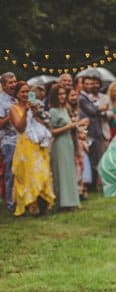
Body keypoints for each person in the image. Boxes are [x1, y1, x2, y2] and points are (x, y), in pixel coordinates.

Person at [9, 81, 56, 216]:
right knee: (29, 175)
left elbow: (45, 124)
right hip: (25, 144)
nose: (25, 94)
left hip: (39, 144)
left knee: (43, 173)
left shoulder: (36, 105)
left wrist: (36, 112)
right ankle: (31, 205)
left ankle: (43, 203)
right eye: (22, 92)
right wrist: (25, 111)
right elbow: (20, 128)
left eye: (27, 92)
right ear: (16, 94)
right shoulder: (13, 108)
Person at [48, 83, 88, 210]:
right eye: (59, 94)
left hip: (69, 141)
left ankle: (72, 201)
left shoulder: (65, 109)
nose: (62, 96)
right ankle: (62, 202)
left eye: (64, 93)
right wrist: (69, 126)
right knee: (61, 172)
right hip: (59, 143)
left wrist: (77, 126)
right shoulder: (52, 111)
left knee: (70, 171)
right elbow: (52, 131)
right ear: (54, 96)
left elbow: (71, 126)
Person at [79, 74, 112, 190]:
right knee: (92, 159)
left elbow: (110, 111)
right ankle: (93, 184)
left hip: (100, 131)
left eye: (92, 83)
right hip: (90, 132)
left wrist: (103, 111)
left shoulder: (102, 97)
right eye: (87, 84)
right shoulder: (82, 98)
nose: (91, 86)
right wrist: (99, 108)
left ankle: (98, 183)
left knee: (99, 158)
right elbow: (92, 111)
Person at [0, 72, 18, 210]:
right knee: (10, 172)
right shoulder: (1, 101)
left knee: (21, 171)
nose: (14, 85)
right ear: (4, 85)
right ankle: (10, 202)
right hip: (8, 141)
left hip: (23, 139)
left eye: (14, 82)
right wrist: (12, 114)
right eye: (10, 83)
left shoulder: (19, 97)